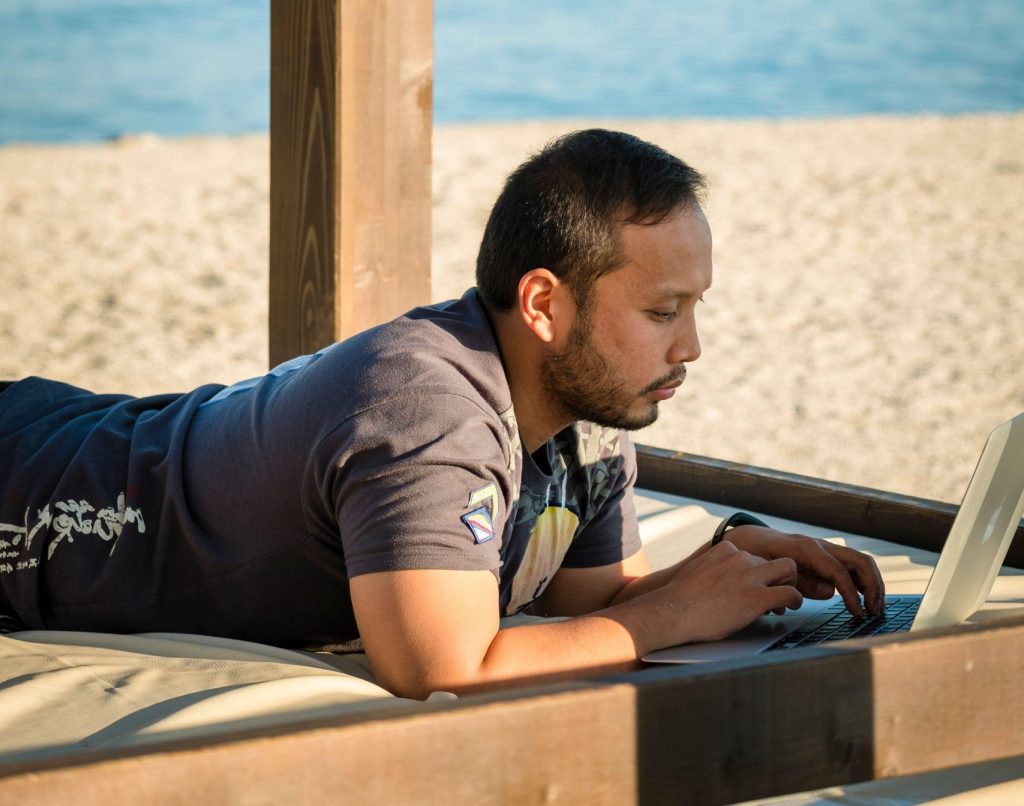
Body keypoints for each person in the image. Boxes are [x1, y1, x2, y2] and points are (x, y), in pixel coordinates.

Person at [0, 129, 883, 699]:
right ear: (544, 305)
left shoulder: (590, 414)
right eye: (662, 312)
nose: (690, 346)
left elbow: (596, 600)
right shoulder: (426, 412)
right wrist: (667, 616)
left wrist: (727, 571)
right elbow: (442, 669)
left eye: (696, 309)